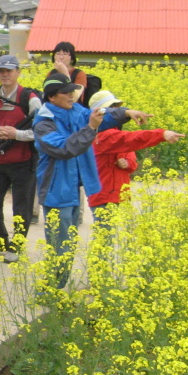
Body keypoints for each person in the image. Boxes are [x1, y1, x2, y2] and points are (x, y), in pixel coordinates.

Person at [33, 74, 150, 288]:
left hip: (72, 188)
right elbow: (65, 148)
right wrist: (90, 129)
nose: (72, 95)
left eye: (72, 91)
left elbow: (99, 114)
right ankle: (50, 292)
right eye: (66, 92)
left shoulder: (74, 111)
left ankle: (55, 290)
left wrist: (126, 113)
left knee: (69, 242)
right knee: (61, 246)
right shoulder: (44, 123)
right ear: (51, 97)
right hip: (56, 190)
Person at [0, 54, 42, 262]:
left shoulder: (30, 98)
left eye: (9, 70)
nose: (4, 74)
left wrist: (17, 134)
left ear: (18, 72)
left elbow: (42, 130)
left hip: (23, 161)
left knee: (21, 206)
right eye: (1, 71)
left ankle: (16, 246)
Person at [87, 89, 184, 221]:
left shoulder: (113, 133)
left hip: (119, 194)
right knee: (105, 236)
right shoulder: (101, 136)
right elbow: (131, 139)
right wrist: (161, 134)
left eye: (117, 107)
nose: (117, 111)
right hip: (104, 196)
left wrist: (128, 163)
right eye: (112, 108)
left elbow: (131, 158)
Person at [46, 42, 89, 106]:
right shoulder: (51, 74)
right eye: (58, 54)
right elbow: (47, 96)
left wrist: (65, 73)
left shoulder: (79, 74)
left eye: (65, 54)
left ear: (72, 58)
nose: (61, 57)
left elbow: (74, 98)